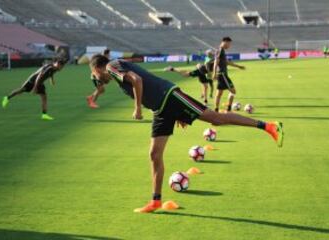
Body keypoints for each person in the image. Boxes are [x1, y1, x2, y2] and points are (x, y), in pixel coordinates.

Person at [90, 54, 284, 213]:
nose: (98, 80)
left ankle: (268, 126)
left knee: (216, 118)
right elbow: (143, 85)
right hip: (161, 109)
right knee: (154, 154)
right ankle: (156, 201)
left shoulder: (111, 67)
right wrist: (172, 114)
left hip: (170, 96)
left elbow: (138, 80)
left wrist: (137, 109)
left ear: (97, 68)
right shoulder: (115, 70)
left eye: (95, 76)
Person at [1, 58, 67, 120]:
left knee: (44, 97)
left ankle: (44, 115)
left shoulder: (55, 68)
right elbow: (38, 76)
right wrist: (35, 87)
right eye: (62, 67)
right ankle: (7, 98)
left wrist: (52, 80)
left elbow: (51, 73)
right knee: (21, 90)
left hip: (40, 83)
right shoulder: (49, 68)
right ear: (58, 64)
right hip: (33, 81)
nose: (62, 68)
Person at [213, 37, 245, 112]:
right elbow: (215, 62)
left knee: (219, 93)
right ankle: (228, 108)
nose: (229, 46)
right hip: (222, 74)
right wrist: (214, 73)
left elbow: (227, 62)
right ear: (225, 42)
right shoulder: (220, 50)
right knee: (233, 91)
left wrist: (238, 66)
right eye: (229, 44)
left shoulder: (222, 50)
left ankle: (216, 110)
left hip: (221, 74)